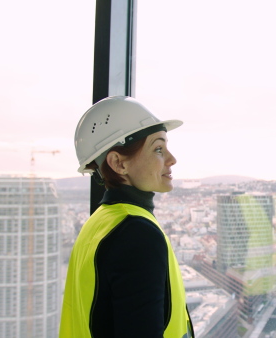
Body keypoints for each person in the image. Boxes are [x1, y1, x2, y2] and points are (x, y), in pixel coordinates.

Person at [60, 96, 194, 338]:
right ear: (118, 163)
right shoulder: (136, 234)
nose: (172, 159)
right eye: (158, 148)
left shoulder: (100, 222)